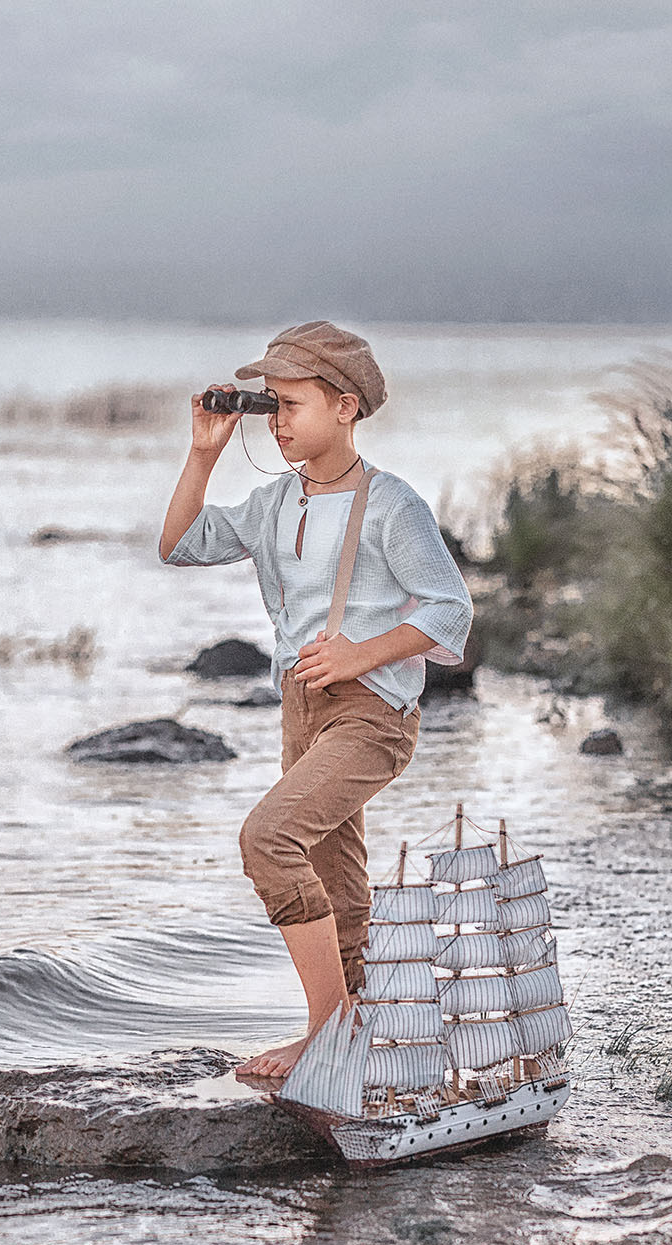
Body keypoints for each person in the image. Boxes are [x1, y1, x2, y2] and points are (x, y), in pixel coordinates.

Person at [157, 321, 474, 1079]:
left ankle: (327, 1033)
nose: (280, 420)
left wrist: (362, 652)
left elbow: (450, 609)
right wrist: (203, 453)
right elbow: (179, 543)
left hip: (371, 714)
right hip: (301, 709)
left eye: (292, 404)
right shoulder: (273, 505)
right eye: (273, 407)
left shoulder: (393, 506)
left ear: (345, 407)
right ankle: (361, 1036)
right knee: (334, 869)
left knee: (269, 840)